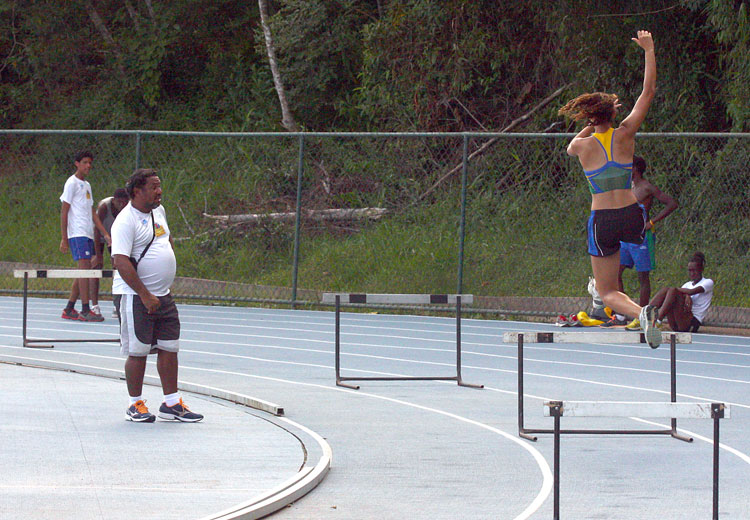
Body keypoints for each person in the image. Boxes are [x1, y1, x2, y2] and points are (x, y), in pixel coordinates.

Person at [558, 30, 662, 348]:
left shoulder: (582, 146)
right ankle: (635, 308)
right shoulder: (627, 133)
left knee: (608, 292)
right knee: (622, 267)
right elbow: (648, 91)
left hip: (603, 219)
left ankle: (639, 312)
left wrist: (591, 123)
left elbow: (570, 146)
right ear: (616, 114)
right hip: (632, 215)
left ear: (590, 117)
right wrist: (648, 49)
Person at [111, 168, 203, 423]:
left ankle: (171, 403)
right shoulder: (125, 220)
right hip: (135, 296)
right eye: (153, 187)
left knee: (169, 346)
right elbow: (120, 261)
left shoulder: (158, 212)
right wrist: (144, 293)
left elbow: (166, 239)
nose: (159, 191)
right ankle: (134, 404)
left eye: (159, 186)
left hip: (163, 295)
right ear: (138, 191)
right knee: (138, 351)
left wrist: (164, 273)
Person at [59, 150, 111, 322]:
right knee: (84, 271)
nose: (88, 166)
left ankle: (69, 308)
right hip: (77, 233)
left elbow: (92, 212)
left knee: (84, 270)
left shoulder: (87, 186)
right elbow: (64, 211)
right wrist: (64, 238)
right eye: (85, 162)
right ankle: (85, 309)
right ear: (77, 163)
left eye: (90, 162)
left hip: (87, 233)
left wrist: (104, 233)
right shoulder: (71, 183)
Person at [648, 252, 713, 332]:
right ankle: (644, 315)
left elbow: (691, 291)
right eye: (690, 271)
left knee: (672, 290)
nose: (692, 274)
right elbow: (679, 294)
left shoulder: (708, 282)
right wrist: (685, 296)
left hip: (691, 323)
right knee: (667, 290)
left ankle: (658, 320)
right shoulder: (687, 284)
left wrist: (686, 295)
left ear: (701, 269)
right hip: (676, 322)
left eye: (694, 270)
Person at [93, 188, 130, 318]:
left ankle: (117, 303)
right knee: (96, 267)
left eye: (125, 202)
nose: (122, 206)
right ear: (114, 201)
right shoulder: (104, 207)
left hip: (114, 238)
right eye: (119, 202)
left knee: (118, 266)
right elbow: (96, 229)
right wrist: (98, 255)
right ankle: (95, 305)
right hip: (100, 235)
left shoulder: (127, 209)